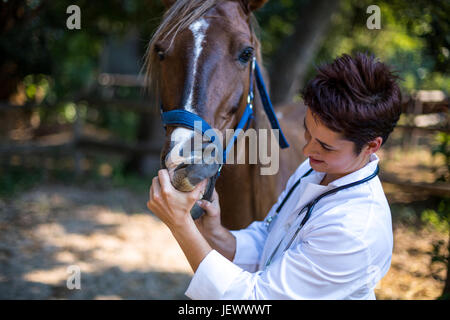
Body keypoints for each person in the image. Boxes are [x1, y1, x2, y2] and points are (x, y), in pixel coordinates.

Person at [147, 53, 402, 299]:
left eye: (326, 146)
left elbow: (257, 299)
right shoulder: (315, 170)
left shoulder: (353, 231)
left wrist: (180, 224)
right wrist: (216, 233)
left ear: (371, 146)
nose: (307, 150)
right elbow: (268, 242)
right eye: (307, 132)